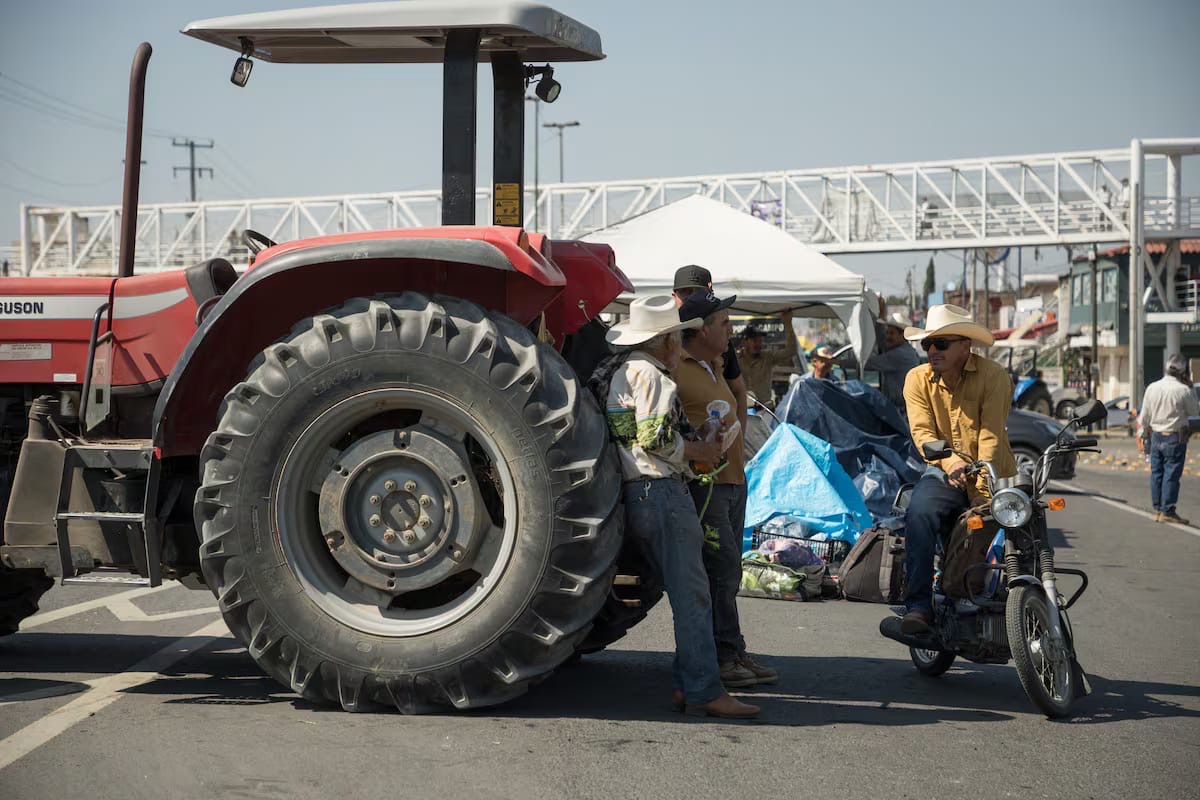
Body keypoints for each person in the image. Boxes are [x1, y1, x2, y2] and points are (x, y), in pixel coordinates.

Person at [591, 295, 760, 718]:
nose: (681, 345)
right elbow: (656, 439)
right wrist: (702, 446)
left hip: (640, 492)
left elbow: (639, 436)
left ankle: (692, 683)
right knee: (693, 595)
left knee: (689, 592)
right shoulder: (653, 376)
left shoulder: (624, 371)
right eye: (677, 337)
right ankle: (704, 688)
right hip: (662, 491)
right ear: (664, 339)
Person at [674, 290, 778, 689]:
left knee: (728, 571)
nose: (731, 332)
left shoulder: (714, 364)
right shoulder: (678, 369)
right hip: (707, 485)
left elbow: (738, 400)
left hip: (733, 481)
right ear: (700, 330)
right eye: (724, 324)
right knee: (721, 570)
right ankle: (722, 656)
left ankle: (731, 650)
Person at [897, 304, 1016, 634]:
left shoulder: (994, 376)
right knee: (919, 513)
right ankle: (919, 606)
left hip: (995, 473)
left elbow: (991, 435)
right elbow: (922, 434)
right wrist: (951, 463)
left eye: (942, 344)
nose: (933, 351)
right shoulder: (916, 379)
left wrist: (980, 492)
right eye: (928, 345)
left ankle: (1038, 595)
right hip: (942, 468)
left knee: (1030, 525)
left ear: (966, 345)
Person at [673, 265, 749, 437]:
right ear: (674, 296)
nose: (692, 298)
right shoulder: (665, 349)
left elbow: (738, 390)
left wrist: (739, 441)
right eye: (686, 292)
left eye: (699, 292)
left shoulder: (720, 349)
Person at [1138, 354, 1199, 524]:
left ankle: (1158, 509)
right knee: (1171, 474)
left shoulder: (1152, 388)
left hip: (1156, 436)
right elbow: (1195, 411)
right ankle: (1168, 510)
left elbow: (1144, 417)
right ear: (1183, 372)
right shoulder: (1183, 390)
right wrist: (1191, 387)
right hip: (1175, 436)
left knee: (1156, 474)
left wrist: (1142, 433)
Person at [737, 310, 797, 408]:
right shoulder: (734, 359)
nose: (759, 344)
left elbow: (791, 351)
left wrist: (788, 323)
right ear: (744, 342)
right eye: (755, 340)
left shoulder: (767, 357)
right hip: (740, 409)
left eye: (761, 341)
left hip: (764, 409)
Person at [864, 312, 921, 409]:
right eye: (887, 332)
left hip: (901, 409)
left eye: (892, 333)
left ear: (903, 335)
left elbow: (869, 363)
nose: (888, 337)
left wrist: (838, 362)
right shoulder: (904, 350)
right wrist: (881, 315)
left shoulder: (900, 354)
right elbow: (882, 340)